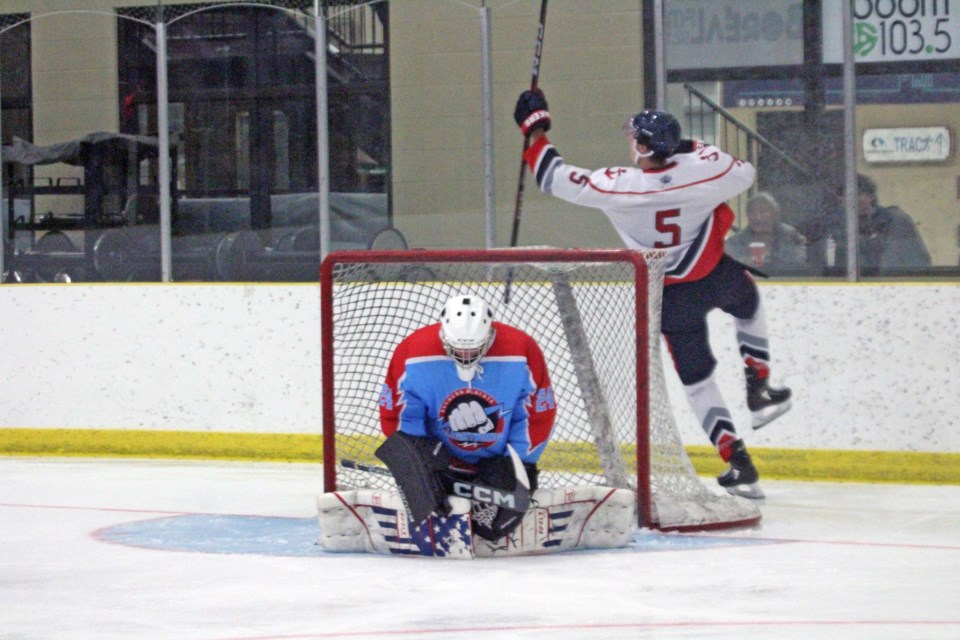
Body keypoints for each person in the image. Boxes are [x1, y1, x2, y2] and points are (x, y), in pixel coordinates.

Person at [513, 89, 791, 498]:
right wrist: (687, 147)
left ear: (643, 147)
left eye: (634, 138)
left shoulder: (618, 186)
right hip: (713, 273)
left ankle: (738, 461)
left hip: (671, 297)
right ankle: (759, 383)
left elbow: (551, 176)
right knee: (748, 304)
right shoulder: (703, 171)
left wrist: (534, 128)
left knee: (698, 383)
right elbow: (745, 172)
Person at [377, 294, 557, 542]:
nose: (466, 355)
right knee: (424, 500)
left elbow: (536, 413)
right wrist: (417, 466)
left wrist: (518, 464)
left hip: (497, 463)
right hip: (439, 463)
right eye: (458, 349)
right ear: (443, 334)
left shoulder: (522, 350)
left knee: (497, 529)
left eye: (473, 349)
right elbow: (399, 416)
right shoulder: (412, 352)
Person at [803, 174, 931, 275]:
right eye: (854, 195)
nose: (861, 199)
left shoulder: (894, 220)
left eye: (866, 194)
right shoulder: (831, 224)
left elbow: (918, 260)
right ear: (841, 199)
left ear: (871, 197)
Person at [726, 192, 807, 275]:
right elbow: (727, 267)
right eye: (752, 212)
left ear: (775, 214)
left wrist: (771, 264)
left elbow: (801, 264)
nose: (758, 217)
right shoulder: (736, 241)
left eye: (763, 211)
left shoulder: (790, 235)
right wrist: (745, 263)